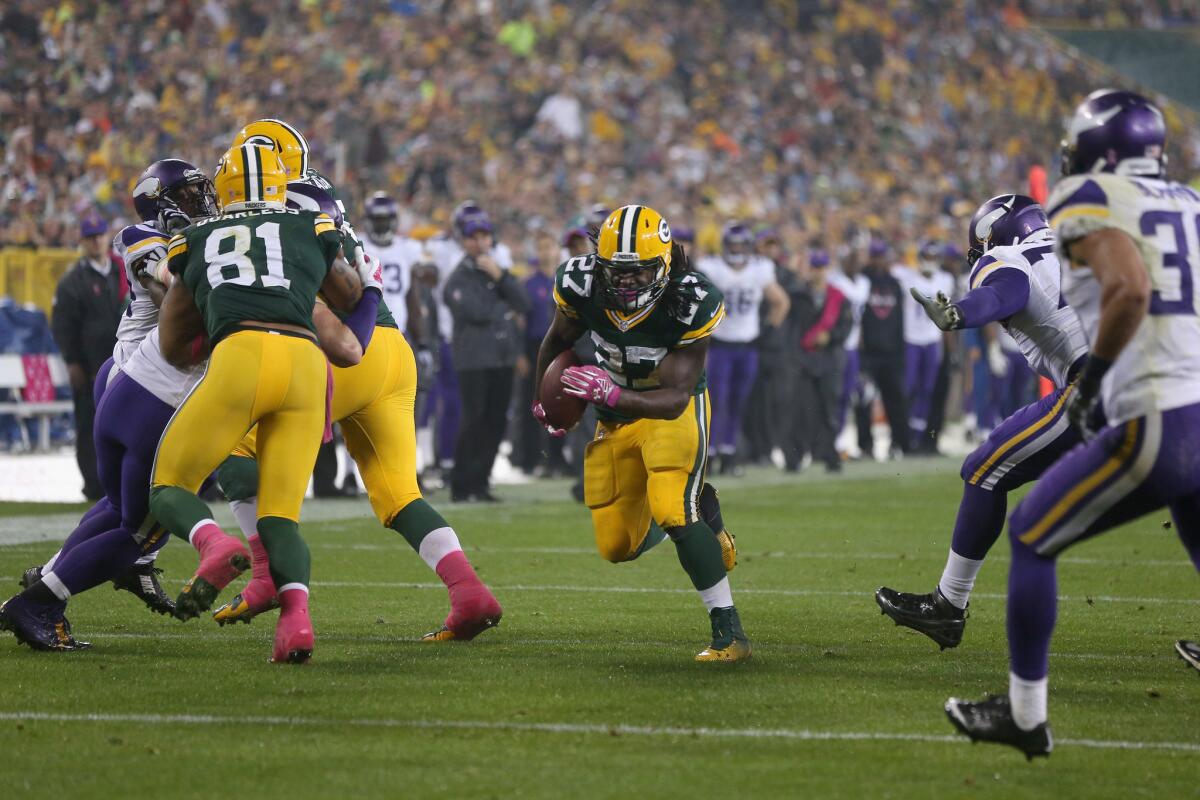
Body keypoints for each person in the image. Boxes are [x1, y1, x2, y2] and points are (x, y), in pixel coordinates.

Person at [946, 89, 1200, 757]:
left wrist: (1094, 381)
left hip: (1154, 411)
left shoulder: (1086, 199)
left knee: (1031, 536)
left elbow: (1131, 290)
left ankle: (1026, 716)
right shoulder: (1192, 203)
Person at [211, 123, 501, 641]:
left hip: (338, 345)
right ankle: (469, 593)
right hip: (391, 348)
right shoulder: (320, 192)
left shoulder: (277, 203)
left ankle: (264, 577)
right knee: (398, 494)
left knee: (233, 444)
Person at [145, 143, 365, 664]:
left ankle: (213, 544)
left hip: (240, 355)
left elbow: (172, 344)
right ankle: (296, 624)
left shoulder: (194, 237)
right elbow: (351, 293)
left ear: (224, 188)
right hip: (305, 367)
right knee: (281, 516)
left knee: (169, 485)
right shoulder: (309, 225)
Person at [0, 159, 218, 650]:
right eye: (185, 196)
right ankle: (51, 592)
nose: (200, 202)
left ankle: (55, 573)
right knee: (149, 519)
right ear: (160, 203)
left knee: (126, 509)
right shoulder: (140, 235)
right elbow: (169, 289)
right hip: (138, 383)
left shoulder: (197, 238)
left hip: (136, 385)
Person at [531, 204, 749, 662]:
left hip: (674, 411)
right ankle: (698, 517)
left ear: (665, 265)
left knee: (671, 506)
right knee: (616, 546)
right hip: (615, 415)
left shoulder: (691, 298)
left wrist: (611, 395)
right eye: (617, 272)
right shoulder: (581, 282)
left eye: (639, 272)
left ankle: (729, 633)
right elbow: (556, 341)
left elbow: (674, 396)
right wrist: (543, 397)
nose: (626, 283)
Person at [875, 194, 1088, 650]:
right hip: (1172, 384)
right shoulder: (1084, 243)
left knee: (983, 471)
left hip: (1102, 386)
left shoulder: (1008, 254)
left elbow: (1003, 291)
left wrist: (960, 313)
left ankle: (949, 606)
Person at [443, 206, 529, 502]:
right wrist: (504, 308)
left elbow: (524, 302)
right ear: (464, 241)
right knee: (474, 421)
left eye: (484, 236)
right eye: (473, 237)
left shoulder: (496, 272)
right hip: (474, 361)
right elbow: (477, 312)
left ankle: (481, 483)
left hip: (501, 358)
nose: (480, 242)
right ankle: (461, 483)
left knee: (495, 421)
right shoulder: (457, 277)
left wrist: (502, 277)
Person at [697, 221, 788, 475]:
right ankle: (710, 453)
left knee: (738, 402)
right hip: (719, 346)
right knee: (716, 401)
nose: (736, 249)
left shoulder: (759, 269)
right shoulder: (711, 268)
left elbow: (780, 302)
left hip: (748, 346)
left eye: (740, 244)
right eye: (732, 244)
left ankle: (728, 452)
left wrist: (766, 330)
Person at [51, 214, 122, 500]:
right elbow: (63, 325)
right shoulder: (73, 281)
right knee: (89, 427)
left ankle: (120, 483)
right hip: (90, 367)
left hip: (124, 364)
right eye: (90, 237)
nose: (96, 241)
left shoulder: (121, 273)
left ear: (106, 237)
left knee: (121, 424)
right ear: (82, 241)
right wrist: (72, 361)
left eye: (100, 235)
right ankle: (94, 485)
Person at [785, 248, 850, 473]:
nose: (818, 272)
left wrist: (830, 336)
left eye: (822, 268)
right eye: (815, 267)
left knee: (829, 411)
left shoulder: (839, 298)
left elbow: (846, 327)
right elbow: (790, 327)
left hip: (830, 360)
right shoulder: (797, 295)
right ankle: (794, 458)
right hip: (804, 361)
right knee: (801, 412)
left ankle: (829, 455)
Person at [894, 242, 956, 450]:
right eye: (926, 258)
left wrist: (952, 349)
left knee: (928, 389)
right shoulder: (907, 278)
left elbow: (948, 315)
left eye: (933, 258)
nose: (930, 262)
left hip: (932, 341)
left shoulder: (945, 280)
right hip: (911, 340)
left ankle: (918, 433)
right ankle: (907, 432)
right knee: (909, 387)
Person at [858, 239, 910, 458]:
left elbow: (899, 319)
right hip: (868, 353)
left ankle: (900, 443)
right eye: (875, 255)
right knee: (863, 400)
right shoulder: (862, 280)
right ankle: (865, 445)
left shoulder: (895, 283)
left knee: (895, 400)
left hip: (891, 352)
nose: (878, 260)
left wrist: (900, 349)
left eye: (881, 255)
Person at [828, 241, 871, 452]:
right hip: (836, 346)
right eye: (850, 259)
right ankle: (828, 438)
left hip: (853, 347)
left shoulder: (864, 282)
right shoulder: (835, 281)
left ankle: (839, 439)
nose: (854, 263)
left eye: (856, 259)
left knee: (846, 394)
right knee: (833, 394)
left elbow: (860, 319)